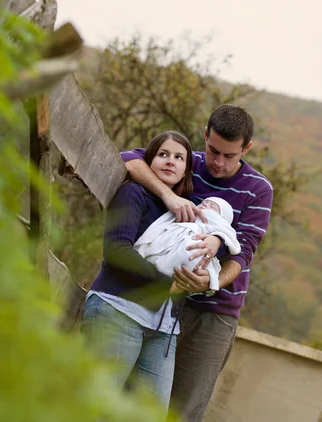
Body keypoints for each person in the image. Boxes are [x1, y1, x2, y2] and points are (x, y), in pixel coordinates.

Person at [121, 104, 274, 421]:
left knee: (182, 409)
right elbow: (128, 159)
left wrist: (210, 282)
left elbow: (243, 253)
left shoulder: (258, 190)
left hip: (214, 315)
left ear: (246, 148)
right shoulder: (185, 162)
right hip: (161, 298)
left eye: (229, 155)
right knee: (133, 398)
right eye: (213, 150)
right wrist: (170, 196)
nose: (218, 162)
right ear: (205, 136)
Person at [81, 130, 193, 414]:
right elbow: (117, 249)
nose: (170, 161)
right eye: (163, 154)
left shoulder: (184, 214)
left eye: (179, 157)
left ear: (186, 169)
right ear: (150, 159)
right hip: (118, 310)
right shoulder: (134, 192)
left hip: (163, 327)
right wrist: (164, 283)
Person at [134, 197, 241, 293]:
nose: (205, 205)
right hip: (176, 236)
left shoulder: (218, 225)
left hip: (195, 244)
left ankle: (170, 275)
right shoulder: (187, 212)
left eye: (212, 206)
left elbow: (230, 238)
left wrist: (217, 238)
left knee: (192, 254)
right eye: (205, 202)